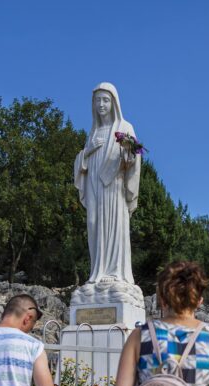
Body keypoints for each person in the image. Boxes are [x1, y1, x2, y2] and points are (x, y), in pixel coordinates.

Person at [74, 83, 141, 284]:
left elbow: (133, 159)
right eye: (97, 100)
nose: (101, 104)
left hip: (114, 186)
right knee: (94, 224)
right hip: (94, 184)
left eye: (105, 100)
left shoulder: (125, 127)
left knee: (114, 225)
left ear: (113, 103)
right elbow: (81, 163)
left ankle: (115, 273)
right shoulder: (93, 132)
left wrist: (128, 153)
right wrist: (88, 151)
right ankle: (98, 271)